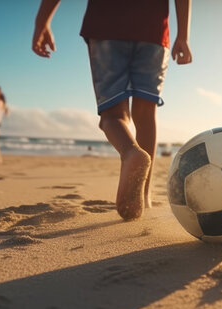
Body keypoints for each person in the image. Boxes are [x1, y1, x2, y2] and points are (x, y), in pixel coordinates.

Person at [32, 0, 193, 220]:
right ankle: (144, 196)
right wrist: (183, 35)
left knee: (113, 115)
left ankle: (131, 152)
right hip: (153, 31)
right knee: (146, 115)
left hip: (106, 25)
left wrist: (42, 22)